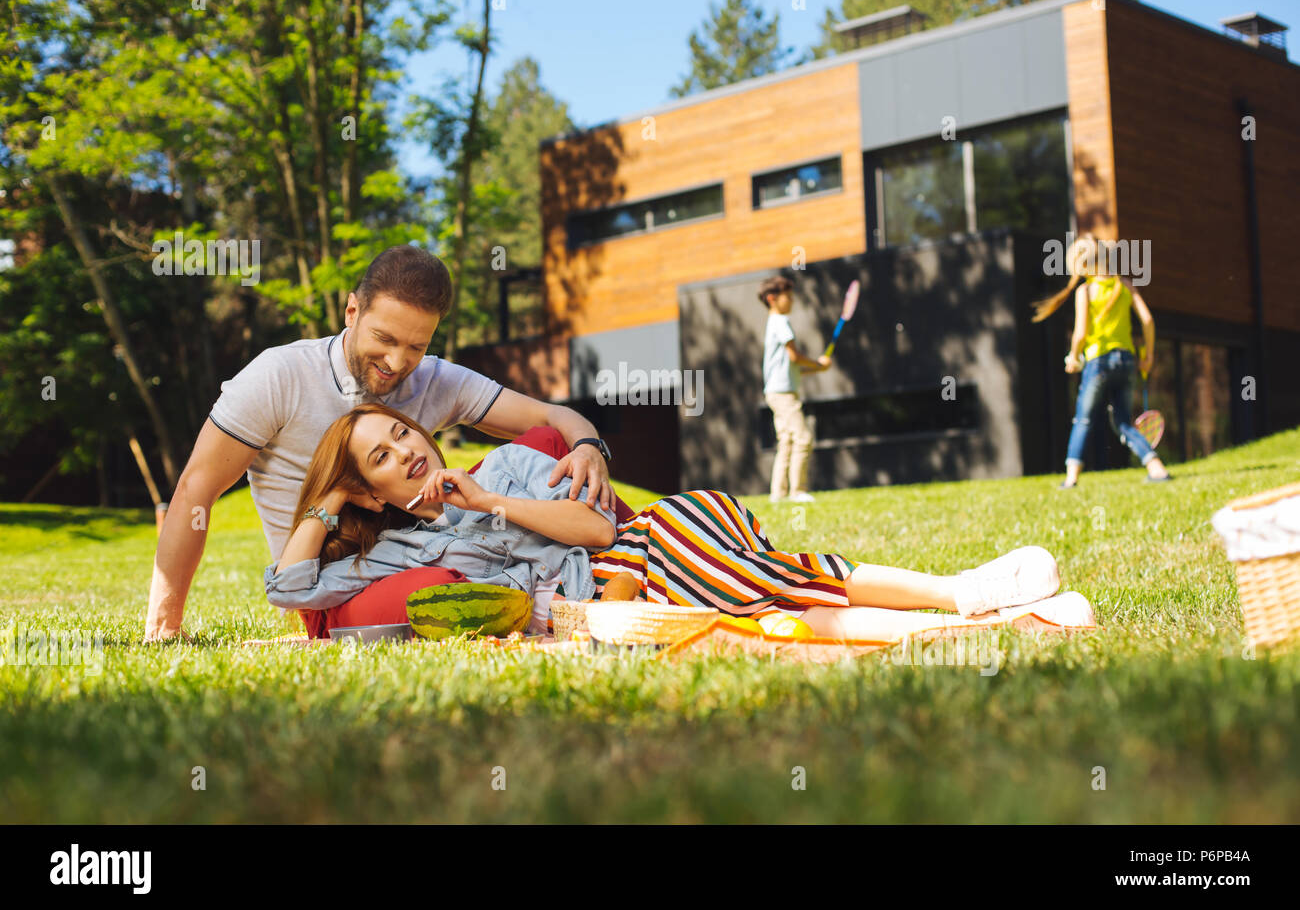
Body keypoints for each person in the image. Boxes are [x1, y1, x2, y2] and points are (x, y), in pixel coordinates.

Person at [264, 402, 1097, 643]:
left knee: (697, 531)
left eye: (400, 432)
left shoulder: (509, 465)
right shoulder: (399, 550)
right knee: (764, 594)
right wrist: (328, 503)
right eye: (377, 457)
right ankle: (974, 604)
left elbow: (595, 534)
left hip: (632, 560)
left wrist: (492, 502)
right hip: (609, 608)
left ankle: (964, 601)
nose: (403, 449)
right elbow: (290, 589)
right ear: (370, 492)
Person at [145, 245, 626, 641]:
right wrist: (165, 625)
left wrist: (588, 446)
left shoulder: (437, 379)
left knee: (545, 442)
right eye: (385, 338)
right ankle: (554, 597)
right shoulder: (278, 376)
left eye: (416, 346)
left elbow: (551, 416)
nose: (398, 362)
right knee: (438, 589)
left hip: (429, 540)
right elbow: (196, 491)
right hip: (333, 577)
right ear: (352, 311)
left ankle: (631, 554)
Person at [1033, 235, 1171, 489]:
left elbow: (1081, 333)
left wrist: (1074, 357)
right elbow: (1148, 320)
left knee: (1084, 419)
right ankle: (1156, 468)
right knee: (1122, 422)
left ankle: (1072, 477)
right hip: (1127, 360)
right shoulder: (1125, 285)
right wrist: (1148, 355)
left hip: (1097, 362)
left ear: (1082, 266)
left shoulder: (1085, 291)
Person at [760, 275, 830, 504]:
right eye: (787, 297)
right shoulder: (780, 322)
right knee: (803, 438)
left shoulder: (773, 324)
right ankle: (797, 491)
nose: (791, 301)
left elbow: (790, 367)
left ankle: (777, 495)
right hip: (783, 394)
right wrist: (817, 364)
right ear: (772, 299)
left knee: (787, 442)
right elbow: (795, 356)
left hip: (775, 392)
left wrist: (816, 370)